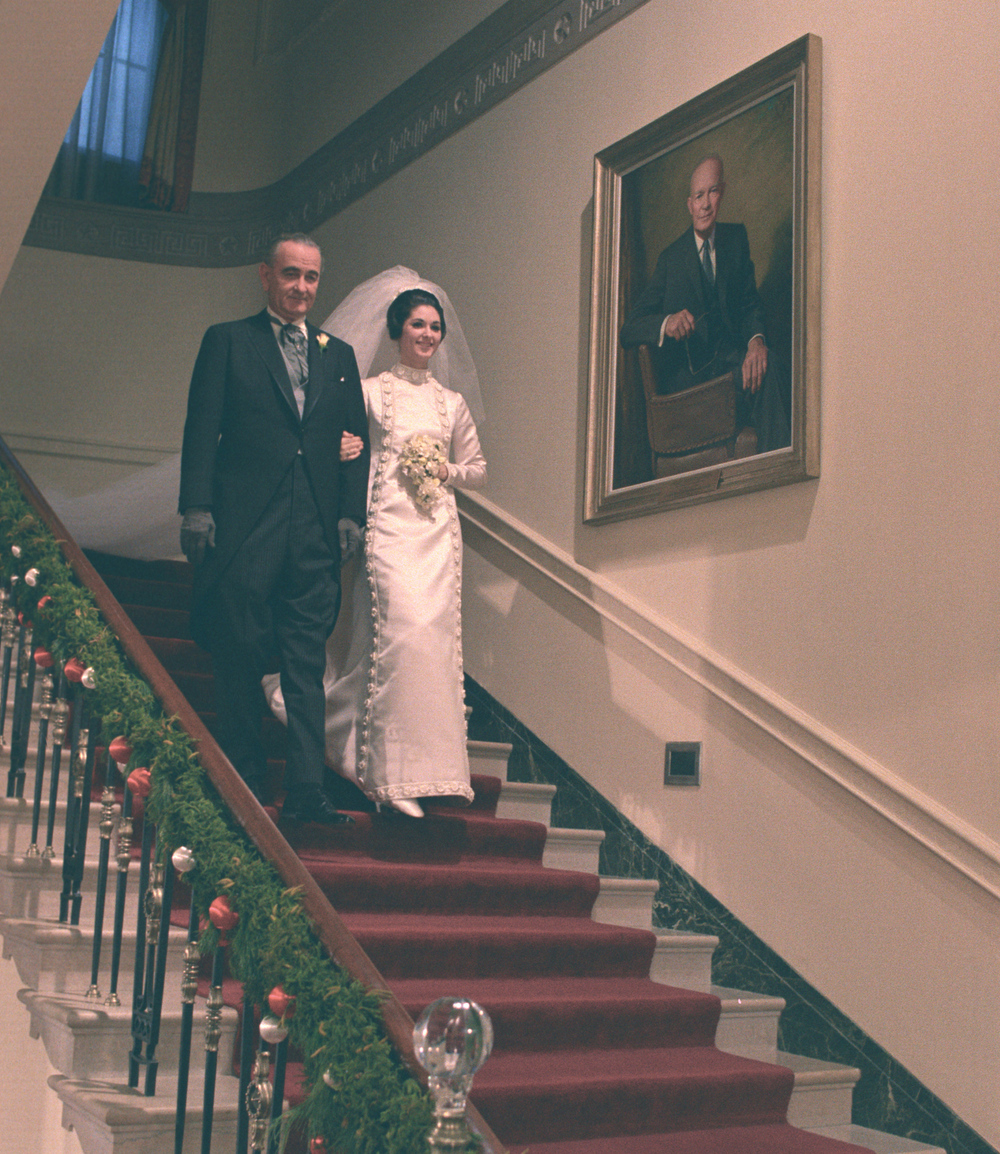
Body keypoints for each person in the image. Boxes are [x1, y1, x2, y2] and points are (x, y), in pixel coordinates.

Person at [264, 268, 486, 818]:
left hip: (436, 532)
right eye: (418, 325)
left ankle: (424, 770)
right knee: (398, 635)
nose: (429, 335)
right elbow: (336, 442)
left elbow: (478, 468)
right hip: (385, 526)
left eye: (435, 327)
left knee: (429, 647)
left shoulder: (450, 403)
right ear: (396, 330)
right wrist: (341, 448)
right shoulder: (367, 392)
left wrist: (445, 470)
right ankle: (380, 773)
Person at [178, 233, 370, 825]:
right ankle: (245, 776)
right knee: (237, 648)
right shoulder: (229, 341)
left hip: (312, 530)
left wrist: (348, 515)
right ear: (266, 276)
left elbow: (355, 442)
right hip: (244, 527)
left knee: (306, 660)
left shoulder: (337, 355)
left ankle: (308, 790)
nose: (302, 288)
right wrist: (196, 508)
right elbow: (201, 428)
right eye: (291, 275)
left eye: (311, 277)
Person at [620, 154, 790, 454]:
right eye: (699, 196)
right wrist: (666, 321)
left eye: (712, 192)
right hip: (694, 387)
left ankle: (776, 471)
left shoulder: (735, 240)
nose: (706, 204)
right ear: (689, 204)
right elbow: (628, 328)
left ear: (721, 193)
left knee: (772, 363)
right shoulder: (671, 260)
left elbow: (750, 303)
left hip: (734, 371)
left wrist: (756, 342)